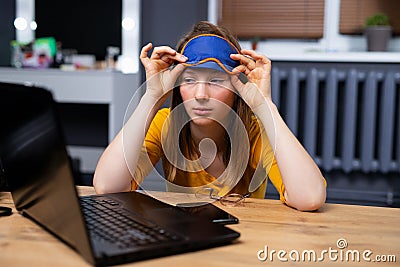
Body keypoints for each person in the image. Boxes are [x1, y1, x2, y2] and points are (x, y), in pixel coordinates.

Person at [93, 21, 326, 211]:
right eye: (189, 79)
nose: (201, 94)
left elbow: (309, 198)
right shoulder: (166, 123)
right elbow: (107, 186)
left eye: (216, 81)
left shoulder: (254, 131)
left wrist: (264, 104)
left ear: (236, 88)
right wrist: (152, 96)